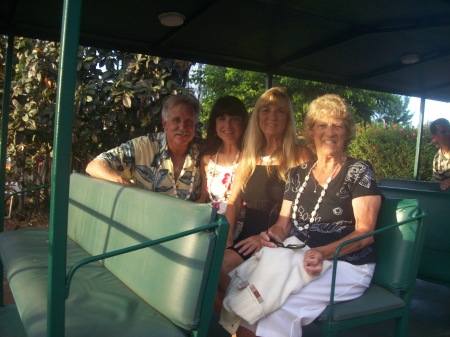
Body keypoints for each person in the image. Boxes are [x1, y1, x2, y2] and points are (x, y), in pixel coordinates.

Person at [230, 94, 382, 337]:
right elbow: (283, 225)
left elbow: (365, 234)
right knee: (253, 299)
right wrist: (269, 237)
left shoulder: (358, 171)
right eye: (322, 125)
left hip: (346, 265)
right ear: (311, 132)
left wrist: (321, 253)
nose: (329, 133)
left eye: (337, 126)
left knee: (279, 310)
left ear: (347, 132)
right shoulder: (297, 174)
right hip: (299, 258)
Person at [217, 87, 313, 312]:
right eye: (266, 110)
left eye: (280, 111)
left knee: (226, 273)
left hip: (279, 241)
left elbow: (306, 210)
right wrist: (228, 238)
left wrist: (267, 238)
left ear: (288, 118)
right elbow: (233, 200)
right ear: (257, 116)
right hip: (246, 239)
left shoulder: (301, 155)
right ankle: (238, 323)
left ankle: (246, 321)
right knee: (210, 268)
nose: (272, 117)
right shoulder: (249, 157)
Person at [86, 94, 202, 201]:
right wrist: (128, 186)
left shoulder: (203, 152)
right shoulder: (144, 146)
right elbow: (95, 166)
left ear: (194, 126)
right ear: (165, 124)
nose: (182, 127)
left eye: (188, 122)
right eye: (176, 120)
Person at [196, 95, 249, 221]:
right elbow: (203, 196)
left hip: (238, 227)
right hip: (209, 222)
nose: (227, 125)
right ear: (214, 123)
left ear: (243, 124)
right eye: (221, 119)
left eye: (234, 119)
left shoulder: (249, 158)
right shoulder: (207, 160)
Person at [430, 118, 450, 190]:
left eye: (449, 130)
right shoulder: (437, 161)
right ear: (435, 136)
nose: (448, 134)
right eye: (443, 132)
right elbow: (439, 188)